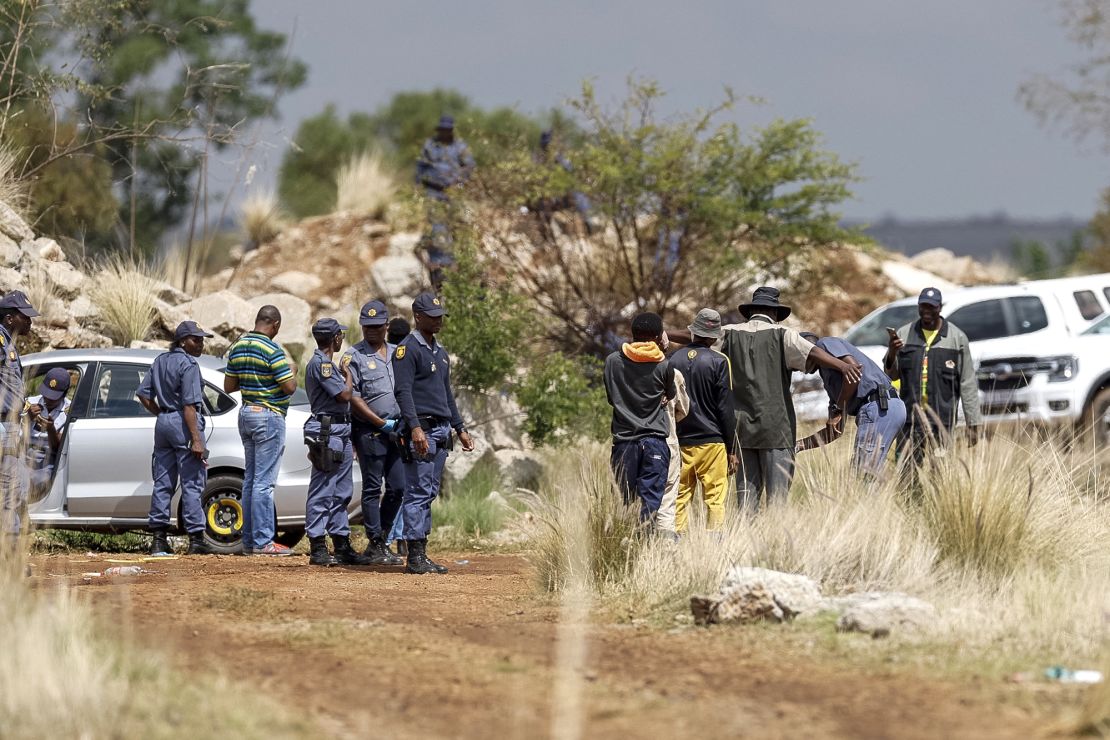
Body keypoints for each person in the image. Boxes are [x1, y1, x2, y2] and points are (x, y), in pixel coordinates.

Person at [720, 287, 862, 511]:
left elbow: (696, 338)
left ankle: (743, 544)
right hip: (777, 430)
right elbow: (813, 353)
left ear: (751, 311)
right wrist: (842, 366)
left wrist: (662, 333)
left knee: (746, 500)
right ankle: (776, 542)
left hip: (742, 429)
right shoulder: (783, 335)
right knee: (778, 502)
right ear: (775, 312)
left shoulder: (728, 333)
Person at [393, 292, 474, 575]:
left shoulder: (440, 353)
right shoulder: (407, 350)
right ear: (418, 317)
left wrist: (460, 428)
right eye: (433, 316)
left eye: (440, 316)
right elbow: (402, 392)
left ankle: (422, 552)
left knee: (428, 492)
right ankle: (414, 556)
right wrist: (415, 428)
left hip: (441, 431)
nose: (439, 321)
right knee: (416, 492)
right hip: (422, 430)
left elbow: (446, 395)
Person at [224, 305, 297, 556]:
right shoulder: (272, 349)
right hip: (268, 417)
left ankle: (249, 541)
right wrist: (293, 371)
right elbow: (289, 387)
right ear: (275, 325)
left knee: (251, 480)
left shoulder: (239, 346)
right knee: (264, 483)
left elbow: (229, 385)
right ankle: (265, 541)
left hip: (246, 414)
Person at [137, 321, 215, 556]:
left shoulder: (161, 360)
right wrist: (197, 440)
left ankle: (159, 539)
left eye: (202, 340)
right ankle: (196, 538)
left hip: (164, 423)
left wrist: (161, 413)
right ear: (183, 341)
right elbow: (190, 406)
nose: (201, 344)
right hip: (184, 423)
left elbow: (143, 394)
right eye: (196, 339)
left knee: (163, 482)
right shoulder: (189, 365)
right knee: (192, 483)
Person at [883, 287, 981, 464]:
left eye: (932, 307)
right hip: (910, 420)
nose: (927, 311)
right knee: (907, 472)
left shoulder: (957, 338)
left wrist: (972, 422)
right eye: (923, 306)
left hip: (942, 421)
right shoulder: (904, 334)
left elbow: (967, 383)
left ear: (940, 308)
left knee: (941, 472)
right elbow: (891, 376)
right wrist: (892, 352)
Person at [342, 300, 405, 566]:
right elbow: (353, 398)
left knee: (398, 487)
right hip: (371, 431)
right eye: (367, 327)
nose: (371, 331)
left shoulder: (397, 353)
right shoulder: (353, 356)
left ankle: (382, 538)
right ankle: (377, 544)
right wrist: (379, 423)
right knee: (371, 488)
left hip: (397, 431)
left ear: (386, 327)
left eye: (377, 327)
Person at [303, 318, 369, 567]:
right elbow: (343, 394)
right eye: (339, 335)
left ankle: (341, 544)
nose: (342, 338)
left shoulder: (327, 364)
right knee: (322, 489)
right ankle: (318, 546)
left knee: (342, 491)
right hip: (326, 431)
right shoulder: (322, 365)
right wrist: (349, 376)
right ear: (334, 339)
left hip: (339, 429)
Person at [603, 312, 677, 524]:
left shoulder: (612, 362)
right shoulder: (665, 365)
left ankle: (625, 550)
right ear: (657, 337)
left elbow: (612, 398)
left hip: (624, 443)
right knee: (650, 504)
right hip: (654, 442)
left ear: (632, 334)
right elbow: (670, 394)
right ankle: (646, 550)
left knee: (624, 502)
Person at [795, 332, 907, 474]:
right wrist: (799, 445)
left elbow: (854, 370)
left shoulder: (824, 344)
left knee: (863, 472)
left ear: (808, 351)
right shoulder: (829, 378)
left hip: (878, 406)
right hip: (886, 407)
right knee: (867, 471)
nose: (797, 365)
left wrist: (839, 407)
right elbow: (835, 431)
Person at [671, 309, 737, 533]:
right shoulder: (720, 361)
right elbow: (725, 409)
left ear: (693, 332)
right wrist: (732, 448)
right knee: (715, 499)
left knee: (679, 498)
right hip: (712, 442)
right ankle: (713, 549)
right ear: (713, 337)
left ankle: (675, 548)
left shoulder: (673, 359)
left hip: (681, 441)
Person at [415, 115, 476, 288]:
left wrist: (459, 181)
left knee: (457, 227)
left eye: (447, 129)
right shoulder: (430, 146)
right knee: (436, 226)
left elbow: (470, 166)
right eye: (442, 129)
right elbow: (420, 167)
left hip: (453, 193)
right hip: (433, 191)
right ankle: (439, 266)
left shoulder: (460, 147)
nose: (444, 132)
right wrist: (419, 184)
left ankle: (456, 264)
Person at [0, 290, 38, 548]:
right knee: (9, 487)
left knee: (16, 486)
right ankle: (11, 556)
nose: (30, 322)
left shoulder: (8, 343)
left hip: (11, 424)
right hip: (3, 425)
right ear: (11, 318)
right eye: (25, 317)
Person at [655, 332, 689, 538]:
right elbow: (683, 410)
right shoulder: (673, 373)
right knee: (666, 504)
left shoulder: (620, 367)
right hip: (667, 443)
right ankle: (665, 556)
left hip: (630, 443)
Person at [24, 367, 71, 491]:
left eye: (53, 397)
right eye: (46, 394)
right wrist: (27, 420)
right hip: (24, 456)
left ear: (64, 394)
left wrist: (51, 430)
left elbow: (58, 449)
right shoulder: (29, 403)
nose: (48, 399)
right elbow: (13, 435)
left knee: (38, 482)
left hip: (48, 462)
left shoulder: (69, 412)